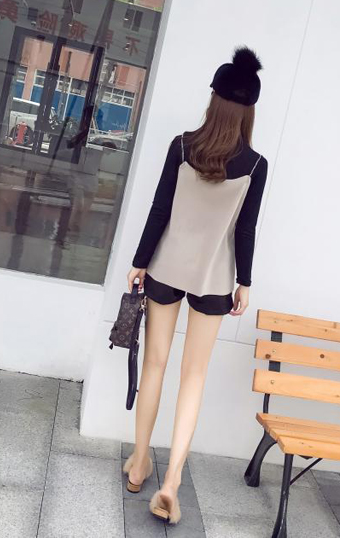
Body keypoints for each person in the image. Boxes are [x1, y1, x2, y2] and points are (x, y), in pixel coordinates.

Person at [124, 47, 268, 524]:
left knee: (155, 364)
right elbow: (245, 229)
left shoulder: (182, 147)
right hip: (214, 278)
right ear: (248, 111)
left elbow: (160, 209)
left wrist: (140, 262)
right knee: (194, 376)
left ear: (214, 100)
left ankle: (140, 462)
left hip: (166, 268)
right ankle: (171, 483)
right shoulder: (255, 165)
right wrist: (244, 281)